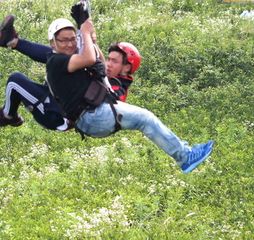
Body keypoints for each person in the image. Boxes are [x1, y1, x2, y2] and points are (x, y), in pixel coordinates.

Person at [44, 17, 213, 174]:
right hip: (90, 117)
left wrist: (90, 39)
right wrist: (86, 33)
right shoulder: (59, 62)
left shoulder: (76, 63)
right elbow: (90, 59)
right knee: (145, 118)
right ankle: (184, 157)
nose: (70, 44)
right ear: (53, 42)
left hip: (91, 115)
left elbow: (98, 65)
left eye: (72, 39)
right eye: (64, 40)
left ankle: (184, 151)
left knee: (146, 118)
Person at [0, 10, 138, 131]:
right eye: (109, 59)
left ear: (126, 68)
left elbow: (109, 107)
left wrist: (86, 36)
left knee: (15, 80)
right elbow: (97, 61)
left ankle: (7, 116)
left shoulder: (119, 90)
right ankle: (12, 41)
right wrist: (90, 38)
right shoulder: (107, 75)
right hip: (59, 98)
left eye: (115, 62)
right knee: (60, 57)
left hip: (56, 114)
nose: (108, 64)